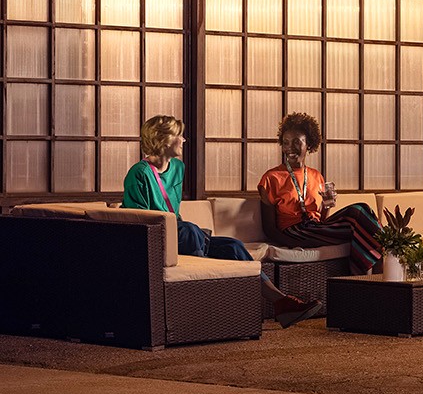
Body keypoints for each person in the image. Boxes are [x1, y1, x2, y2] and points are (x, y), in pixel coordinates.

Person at [122, 114, 322, 327]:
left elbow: (175, 212)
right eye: (179, 135)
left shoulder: (178, 169)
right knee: (189, 231)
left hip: (180, 234)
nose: (184, 140)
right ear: (163, 140)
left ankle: (282, 303)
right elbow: (139, 220)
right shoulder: (139, 173)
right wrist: (183, 231)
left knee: (233, 246)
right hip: (157, 239)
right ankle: (198, 306)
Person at [257, 113, 383, 276]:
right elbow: (269, 229)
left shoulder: (316, 176)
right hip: (294, 231)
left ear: (309, 145)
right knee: (358, 213)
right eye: (286, 142)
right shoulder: (271, 178)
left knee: (362, 212)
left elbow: (321, 220)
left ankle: (366, 277)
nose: (289, 148)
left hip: (315, 227)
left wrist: (327, 205)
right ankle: (370, 276)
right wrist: (295, 243)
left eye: (297, 142)